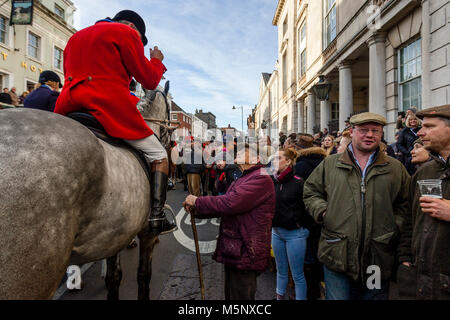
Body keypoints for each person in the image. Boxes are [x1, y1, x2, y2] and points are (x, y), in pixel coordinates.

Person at [54, 10, 176, 235]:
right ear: (133, 27)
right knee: (158, 153)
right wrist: (156, 61)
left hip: (68, 106)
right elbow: (148, 79)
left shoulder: (76, 37)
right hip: (106, 106)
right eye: (140, 38)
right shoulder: (125, 33)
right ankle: (156, 216)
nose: (139, 42)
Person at [303, 112, 410, 300]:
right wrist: (324, 212)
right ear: (351, 132)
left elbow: (406, 203)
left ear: (381, 134)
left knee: (373, 298)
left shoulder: (395, 168)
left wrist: (393, 225)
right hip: (337, 253)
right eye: (363, 130)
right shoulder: (330, 164)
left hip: (377, 257)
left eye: (375, 131)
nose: (370, 135)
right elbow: (311, 192)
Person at [183, 144, 276, 300]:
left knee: (240, 296)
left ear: (256, 158)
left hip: (247, 248)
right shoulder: (245, 176)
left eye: (242, 151)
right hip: (236, 247)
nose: (237, 153)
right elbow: (225, 206)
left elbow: (231, 203)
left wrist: (198, 201)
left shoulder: (261, 177)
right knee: (232, 294)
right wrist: (197, 211)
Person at [397, 105, 450, 300]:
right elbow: (409, 219)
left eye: (429, 126)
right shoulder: (425, 172)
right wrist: (405, 260)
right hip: (421, 279)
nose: (420, 132)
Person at [271, 148, 312, 300]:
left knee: (297, 275)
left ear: (288, 161)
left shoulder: (299, 182)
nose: (274, 161)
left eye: (278, 158)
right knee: (281, 271)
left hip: (295, 234)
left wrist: (304, 229)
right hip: (276, 233)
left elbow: (308, 207)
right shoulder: (272, 180)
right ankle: (279, 297)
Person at [292, 133, 326, 300]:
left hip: (305, 217)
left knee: (307, 262)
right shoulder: (326, 162)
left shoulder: (300, 166)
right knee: (319, 256)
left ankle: (311, 294)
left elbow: (297, 194)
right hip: (322, 215)